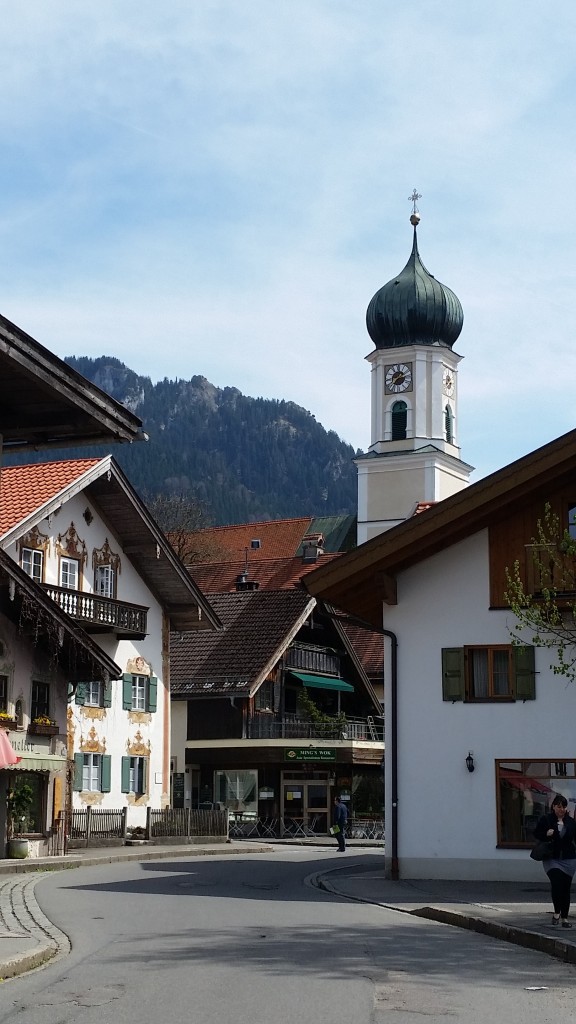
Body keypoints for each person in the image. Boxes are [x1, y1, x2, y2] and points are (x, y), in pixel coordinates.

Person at [534, 794, 576, 928]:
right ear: (553, 806)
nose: (561, 809)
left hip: (569, 859)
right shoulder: (547, 819)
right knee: (557, 883)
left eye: (564, 806)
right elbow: (536, 833)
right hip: (552, 858)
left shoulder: (570, 822)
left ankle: (564, 918)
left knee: (565, 888)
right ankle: (557, 911)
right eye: (559, 806)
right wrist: (546, 834)